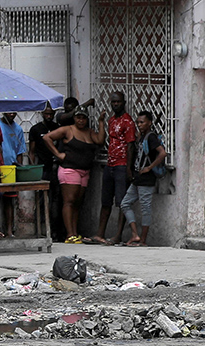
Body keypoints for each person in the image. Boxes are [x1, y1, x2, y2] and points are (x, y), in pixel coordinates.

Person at [43, 108, 106, 244]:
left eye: (83, 118)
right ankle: (69, 234)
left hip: (85, 170)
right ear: (74, 118)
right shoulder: (68, 130)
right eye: (78, 118)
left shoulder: (89, 132)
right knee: (69, 201)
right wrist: (58, 154)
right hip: (69, 170)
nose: (81, 120)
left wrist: (101, 122)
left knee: (77, 202)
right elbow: (47, 137)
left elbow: (100, 140)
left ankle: (74, 232)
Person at [90, 91, 136, 245]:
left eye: (118, 102)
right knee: (106, 200)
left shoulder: (127, 121)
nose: (115, 104)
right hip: (110, 164)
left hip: (122, 165)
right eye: (113, 102)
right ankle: (100, 233)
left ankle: (118, 235)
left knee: (122, 202)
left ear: (124, 102)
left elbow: (131, 145)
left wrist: (128, 168)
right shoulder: (111, 120)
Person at [120, 111, 167, 246]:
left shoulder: (151, 137)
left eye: (142, 122)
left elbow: (162, 154)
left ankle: (143, 240)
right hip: (138, 177)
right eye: (138, 122)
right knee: (125, 203)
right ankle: (135, 234)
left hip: (147, 178)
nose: (139, 125)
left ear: (149, 123)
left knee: (145, 208)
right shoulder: (142, 137)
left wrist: (149, 167)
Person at [28, 104, 65, 242]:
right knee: (42, 201)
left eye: (51, 114)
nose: (48, 116)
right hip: (42, 169)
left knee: (56, 201)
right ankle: (41, 231)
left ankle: (56, 231)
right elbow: (31, 152)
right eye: (46, 114)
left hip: (56, 168)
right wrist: (33, 170)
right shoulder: (36, 129)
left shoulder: (58, 129)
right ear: (42, 113)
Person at [0, 112, 26, 236]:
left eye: (14, 112)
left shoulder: (18, 129)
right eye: (9, 111)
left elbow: (20, 152)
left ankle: (9, 231)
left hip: (11, 169)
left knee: (9, 201)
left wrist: (19, 172)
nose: (12, 114)